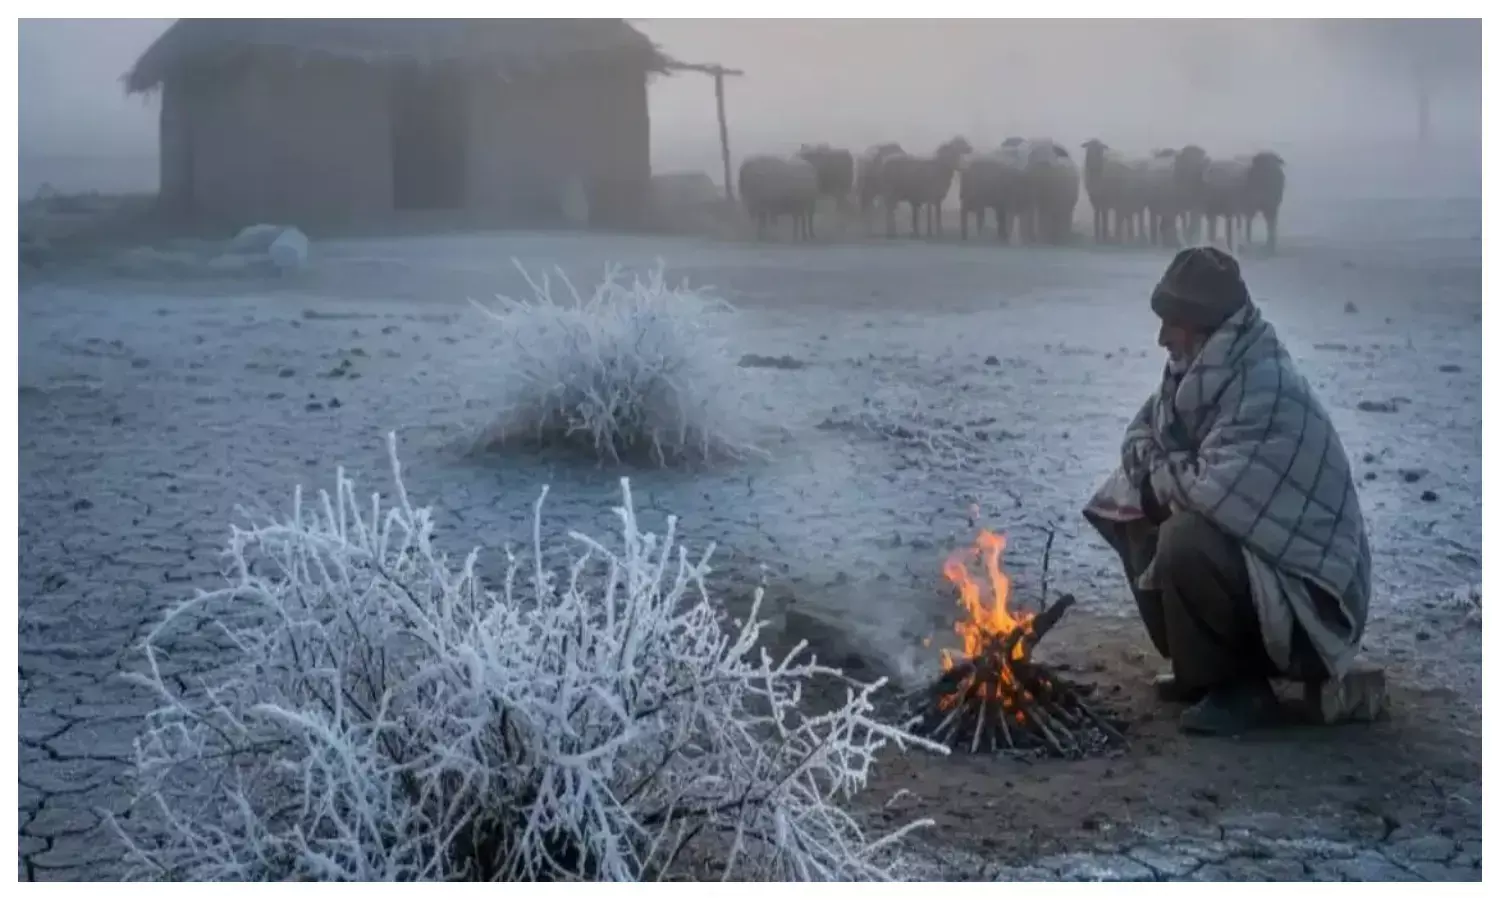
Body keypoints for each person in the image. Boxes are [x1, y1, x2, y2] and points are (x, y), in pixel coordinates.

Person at [1083, 246, 1373, 736]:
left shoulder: (1263, 386)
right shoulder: (1200, 373)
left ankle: (1241, 689)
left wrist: (1157, 474)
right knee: (1126, 501)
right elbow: (1138, 437)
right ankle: (1202, 672)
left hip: (1314, 607)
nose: (1161, 338)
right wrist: (1155, 475)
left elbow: (1204, 491)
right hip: (1264, 566)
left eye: (1171, 322)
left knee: (1185, 538)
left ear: (1203, 324)